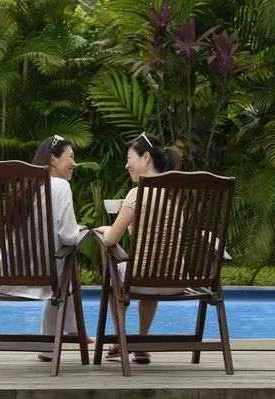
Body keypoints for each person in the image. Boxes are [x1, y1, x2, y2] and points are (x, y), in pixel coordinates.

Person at [0, 135, 91, 361]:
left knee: (63, 269)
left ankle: (50, 346)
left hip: (9, 273)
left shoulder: (22, 188)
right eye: (70, 157)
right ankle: (72, 331)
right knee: (67, 261)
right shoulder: (60, 186)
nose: (75, 163)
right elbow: (68, 237)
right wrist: (79, 231)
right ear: (52, 159)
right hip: (45, 275)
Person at [94, 132, 182, 364]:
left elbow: (112, 239)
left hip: (143, 278)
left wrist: (104, 229)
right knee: (149, 267)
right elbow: (151, 239)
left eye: (129, 158)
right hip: (177, 280)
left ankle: (119, 338)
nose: (126, 165)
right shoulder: (173, 194)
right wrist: (132, 220)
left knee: (115, 270)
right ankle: (141, 341)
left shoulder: (138, 193)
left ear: (145, 157)